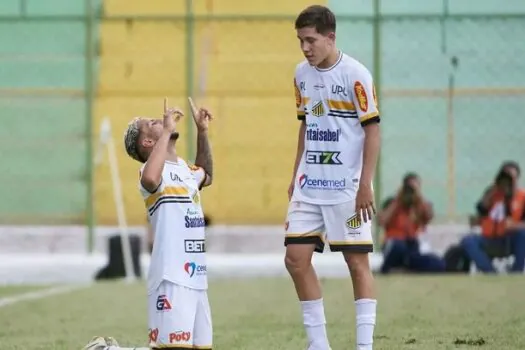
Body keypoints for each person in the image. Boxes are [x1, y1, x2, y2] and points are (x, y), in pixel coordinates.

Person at [284, 5, 381, 350]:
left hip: (346, 187)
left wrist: (365, 184)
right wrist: (296, 173)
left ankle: (364, 346)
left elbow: (372, 131)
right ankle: (319, 344)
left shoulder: (356, 75)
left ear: (330, 37)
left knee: (356, 263)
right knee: (295, 260)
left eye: (310, 40)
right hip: (309, 185)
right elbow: (305, 125)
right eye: (300, 41)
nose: (305, 48)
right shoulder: (300, 75)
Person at [82, 97, 214, 349]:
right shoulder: (150, 172)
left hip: (196, 275)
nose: (161, 120)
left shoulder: (185, 169)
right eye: (153, 123)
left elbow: (206, 176)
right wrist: (166, 130)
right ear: (147, 142)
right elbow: (151, 179)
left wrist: (202, 132)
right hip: (171, 275)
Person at [460, 161, 525, 273]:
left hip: (512, 240)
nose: (508, 180)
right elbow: (480, 212)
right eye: (505, 175)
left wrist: (514, 226)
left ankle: (516, 272)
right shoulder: (492, 194)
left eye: (511, 177)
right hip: (490, 240)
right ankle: (490, 272)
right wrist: (494, 190)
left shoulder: (522, 197)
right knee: (468, 241)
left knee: (523, 234)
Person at [378, 172, 445, 273]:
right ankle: (389, 268)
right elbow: (382, 221)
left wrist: (418, 196)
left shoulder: (419, 204)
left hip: (411, 244)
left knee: (438, 263)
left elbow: (429, 216)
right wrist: (398, 200)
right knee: (398, 246)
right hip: (394, 243)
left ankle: (405, 268)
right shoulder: (392, 202)